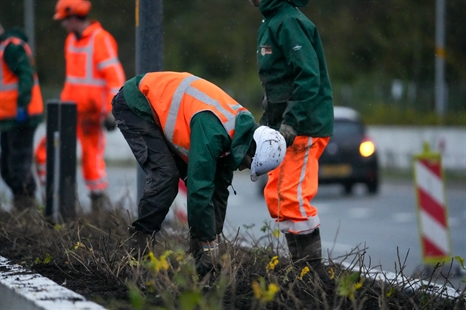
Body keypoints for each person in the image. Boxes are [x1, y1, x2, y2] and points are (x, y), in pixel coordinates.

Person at [112, 71, 286, 274]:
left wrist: (212, 243)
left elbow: (219, 191)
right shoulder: (213, 130)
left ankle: (199, 261)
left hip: (160, 108)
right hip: (137, 103)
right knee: (166, 176)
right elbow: (199, 189)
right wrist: (206, 240)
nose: (242, 168)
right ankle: (136, 253)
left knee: (201, 186)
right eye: (248, 164)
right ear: (250, 149)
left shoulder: (237, 135)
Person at [247, 0, 334, 284]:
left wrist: (291, 121)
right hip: (285, 128)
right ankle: (302, 272)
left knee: (293, 198)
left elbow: (308, 77)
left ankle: (315, 278)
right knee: (279, 198)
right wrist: (266, 127)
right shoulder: (272, 21)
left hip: (303, 127)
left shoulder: (288, 22)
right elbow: (277, 86)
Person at [34, 0, 126, 210]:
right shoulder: (71, 41)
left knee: (91, 160)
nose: (63, 25)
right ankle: (52, 200)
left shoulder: (100, 39)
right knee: (45, 151)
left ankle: (98, 206)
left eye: (64, 20)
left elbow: (115, 77)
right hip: (68, 110)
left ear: (73, 17)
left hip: (91, 114)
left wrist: (114, 110)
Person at [0, 22, 44, 210]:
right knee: (8, 166)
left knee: (17, 164)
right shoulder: (5, 48)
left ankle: (27, 206)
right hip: (8, 118)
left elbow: (26, 74)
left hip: (22, 116)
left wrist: (22, 105)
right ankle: (23, 202)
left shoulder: (11, 48)